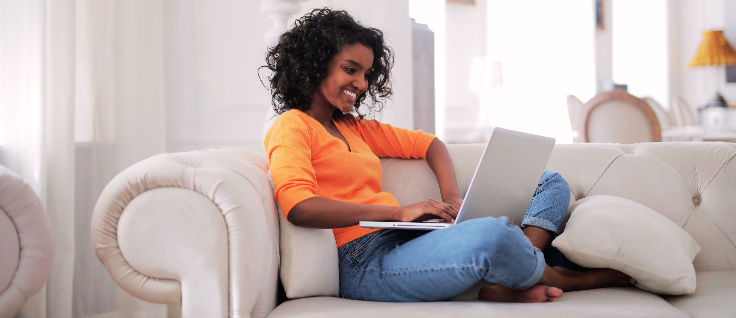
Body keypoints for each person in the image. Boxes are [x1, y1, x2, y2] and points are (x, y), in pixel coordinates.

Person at [262, 8, 634, 303]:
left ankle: (511, 275)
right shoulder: (291, 126)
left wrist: (452, 197)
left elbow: (430, 144)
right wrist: (397, 213)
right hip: (363, 263)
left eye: (366, 74)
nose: (360, 84)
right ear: (314, 62)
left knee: (549, 181)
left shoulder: (353, 127)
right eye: (350, 70)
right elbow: (300, 206)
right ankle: (554, 274)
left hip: (404, 241)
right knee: (490, 234)